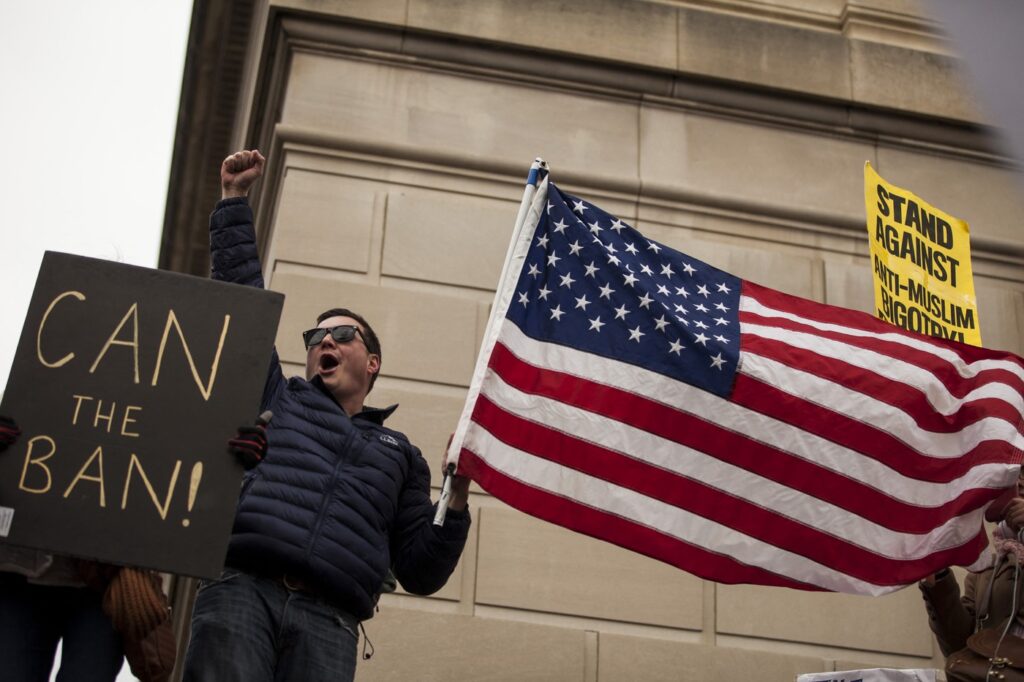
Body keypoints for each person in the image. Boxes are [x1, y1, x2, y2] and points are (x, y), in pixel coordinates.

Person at [183, 149, 472, 682]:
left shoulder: (402, 456)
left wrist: (455, 498)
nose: (325, 342)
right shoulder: (279, 395)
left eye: (342, 334)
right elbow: (244, 302)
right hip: (242, 591)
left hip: (329, 624)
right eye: (316, 337)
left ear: (373, 362)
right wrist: (233, 202)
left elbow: (420, 569)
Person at [0, 415, 124, 682]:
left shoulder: (156, 399)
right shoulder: (32, 391)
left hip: (105, 582)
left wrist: (229, 466)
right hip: (21, 572)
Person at [919, 472, 1024, 680]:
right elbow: (959, 647)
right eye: (1016, 474)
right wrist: (938, 579)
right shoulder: (986, 569)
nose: (1019, 482)